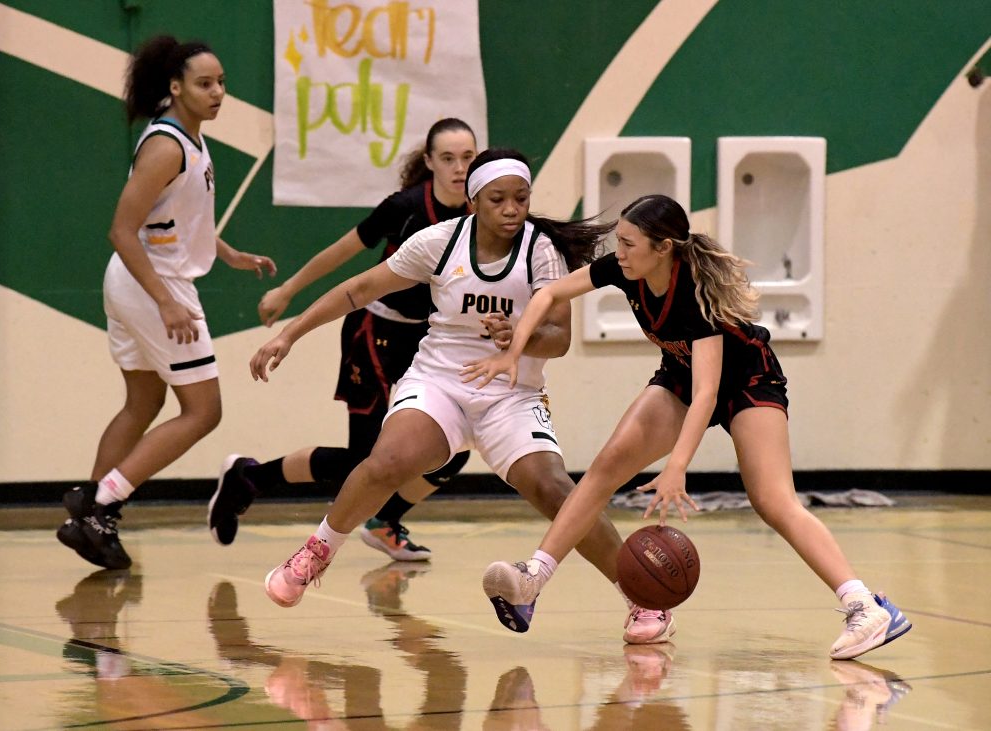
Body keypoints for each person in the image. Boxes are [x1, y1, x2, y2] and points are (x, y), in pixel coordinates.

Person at [248, 149, 674, 644]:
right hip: (441, 383)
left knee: (557, 491)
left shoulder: (540, 251)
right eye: (498, 199)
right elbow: (358, 290)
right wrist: (290, 334)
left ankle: (643, 598)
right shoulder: (439, 242)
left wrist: (518, 337)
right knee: (386, 462)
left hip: (511, 394)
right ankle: (315, 553)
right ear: (473, 201)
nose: (512, 209)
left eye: (521, 198)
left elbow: (558, 339)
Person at [467, 193, 912, 661]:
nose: (619, 252)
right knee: (605, 467)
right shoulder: (625, 269)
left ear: (663, 248)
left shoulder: (694, 294)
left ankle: (865, 606)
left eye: (629, 243)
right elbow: (551, 294)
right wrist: (513, 350)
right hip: (681, 376)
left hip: (747, 382)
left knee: (773, 501)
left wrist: (677, 466)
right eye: (619, 241)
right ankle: (533, 579)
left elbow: (707, 394)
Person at [209, 118, 478, 561]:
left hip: (427, 338)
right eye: (448, 158)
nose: (459, 168)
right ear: (430, 162)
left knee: (454, 447)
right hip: (375, 330)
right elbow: (342, 251)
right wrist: (288, 290)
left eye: (467, 157)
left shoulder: (480, 211)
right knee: (364, 460)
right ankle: (249, 477)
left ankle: (384, 521)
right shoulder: (405, 207)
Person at [55, 35, 277, 570]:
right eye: (205, 83)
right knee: (203, 411)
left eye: (221, 83)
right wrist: (166, 302)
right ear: (175, 87)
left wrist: (227, 253)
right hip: (154, 286)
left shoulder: (188, 139)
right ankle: (102, 502)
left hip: (140, 283)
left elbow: (176, 219)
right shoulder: (168, 146)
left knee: (143, 403)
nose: (217, 92)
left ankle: (91, 517)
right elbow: (121, 230)